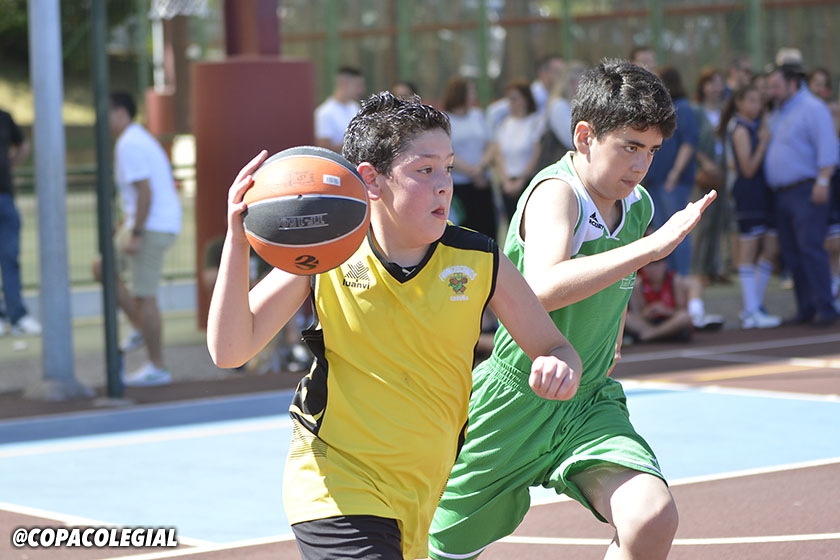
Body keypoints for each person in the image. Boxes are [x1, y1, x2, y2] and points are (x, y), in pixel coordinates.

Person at [206, 91, 582, 560]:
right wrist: (237, 240)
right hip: (334, 478)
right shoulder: (327, 254)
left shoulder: (478, 257)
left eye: (448, 168)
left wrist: (561, 368)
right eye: (424, 170)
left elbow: (556, 347)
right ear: (371, 180)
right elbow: (230, 350)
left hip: (423, 486)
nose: (444, 185)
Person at [430, 59, 717, 560]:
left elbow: (615, 286)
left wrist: (614, 335)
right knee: (436, 550)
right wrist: (649, 250)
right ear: (585, 136)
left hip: (587, 401)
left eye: (651, 151)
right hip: (513, 401)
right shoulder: (557, 194)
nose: (641, 165)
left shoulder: (638, 205)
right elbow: (539, 287)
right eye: (630, 146)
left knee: (651, 516)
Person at [92, 92, 182, 386]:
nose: (101, 121)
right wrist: (125, 227)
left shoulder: (129, 143)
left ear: (120, 113)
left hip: (152, 226)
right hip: (147, 223)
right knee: (102, 267)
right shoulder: (134, 139)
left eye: (105, 113)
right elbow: (138, 194)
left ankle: (157, 367)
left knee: (145, 296)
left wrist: (137, 233)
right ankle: (139, 327)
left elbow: (145, 191)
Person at [644, 66, 724, 330]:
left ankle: (683, 282)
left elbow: (689, 144)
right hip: (656, 181)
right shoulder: (662, 109)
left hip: (672, 182)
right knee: (659, 233)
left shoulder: (684, 109)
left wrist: (674, 174)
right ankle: (670, 291)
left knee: (678, 232)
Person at [764, 62, 839, 326]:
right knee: (792, 253)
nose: (772, 91)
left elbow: (828, 147)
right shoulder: (779, 111)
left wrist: (823, 181)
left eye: (776, 86)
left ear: (793, 83)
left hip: (806, 189)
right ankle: (806, 307)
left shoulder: (813, 108)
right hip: (783, 193)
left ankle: (825, 307)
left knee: (810, 248)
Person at [718, 83, 782, 328]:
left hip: (765, 195)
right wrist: (764, 144)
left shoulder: (756, 124)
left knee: (771, 248)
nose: (757, 106)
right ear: (740, 102)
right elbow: (748, 168)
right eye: (752, 100)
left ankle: (753, 306)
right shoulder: (740, 129)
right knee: (748, 250)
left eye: (759, 101)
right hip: (749, 196)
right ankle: (751, 310)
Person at [0, 106, 42, 336]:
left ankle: (16, 315)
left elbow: (23, 145)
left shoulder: (4, 117)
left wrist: (9, 164)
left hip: (5, 196)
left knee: (10, 258)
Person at [442, 76, 496, 239]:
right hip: (460, 184)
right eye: (470, 91)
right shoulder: (445, 120)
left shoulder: (477, 115)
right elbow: (446, 150)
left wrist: (481, 168)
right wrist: (471, 171)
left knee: (487, 227)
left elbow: (490, 143)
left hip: (482, 181)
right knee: (464, 229)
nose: (474, 94)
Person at [691, 67, 730, 285]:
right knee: (702, 223)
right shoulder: (696, 111)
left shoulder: (724, 111)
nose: (717, 88)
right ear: (703, 86)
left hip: (723, 171)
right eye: (712, 83)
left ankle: (715, 268)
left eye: (719, 83)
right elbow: (691, 142)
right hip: (704, 173)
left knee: (720, 221)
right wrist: (705, 162)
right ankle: (699, 270)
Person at [489, 80, 544, 222]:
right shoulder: (504, 124)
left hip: (527, 181)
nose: (511, 103)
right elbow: (499, 155)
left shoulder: (535, 122)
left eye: (515, 98)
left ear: (525, 99)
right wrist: (505, 181)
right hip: (507, 182)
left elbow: (535, 154)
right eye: (509, 99)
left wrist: (522, 180)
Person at [486, 54, 565, 132]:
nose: (562, 76)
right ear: (542, 74)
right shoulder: (532, 95)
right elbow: (494, 112)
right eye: (557, 72)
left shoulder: (559, 96)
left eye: (564, 72)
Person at [624, 257, 693, 344]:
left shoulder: (675, 281)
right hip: (649, 323)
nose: (653, 270)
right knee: (626, 317)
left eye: (657, 265)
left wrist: (666, 311)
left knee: (684, 317)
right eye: (649, 266)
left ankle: (651, 334)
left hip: (669, 321)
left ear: (665, 265)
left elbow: (682, 310)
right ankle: (656, 334)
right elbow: (636, 314)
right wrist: (647, 312)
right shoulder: (638, 284)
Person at [313, 66, 365, 153]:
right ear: (343, 84)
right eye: (357, 85)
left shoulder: (355, 107)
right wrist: (353, 141)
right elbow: (324, 149)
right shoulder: (324, 113)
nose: (361, 90)